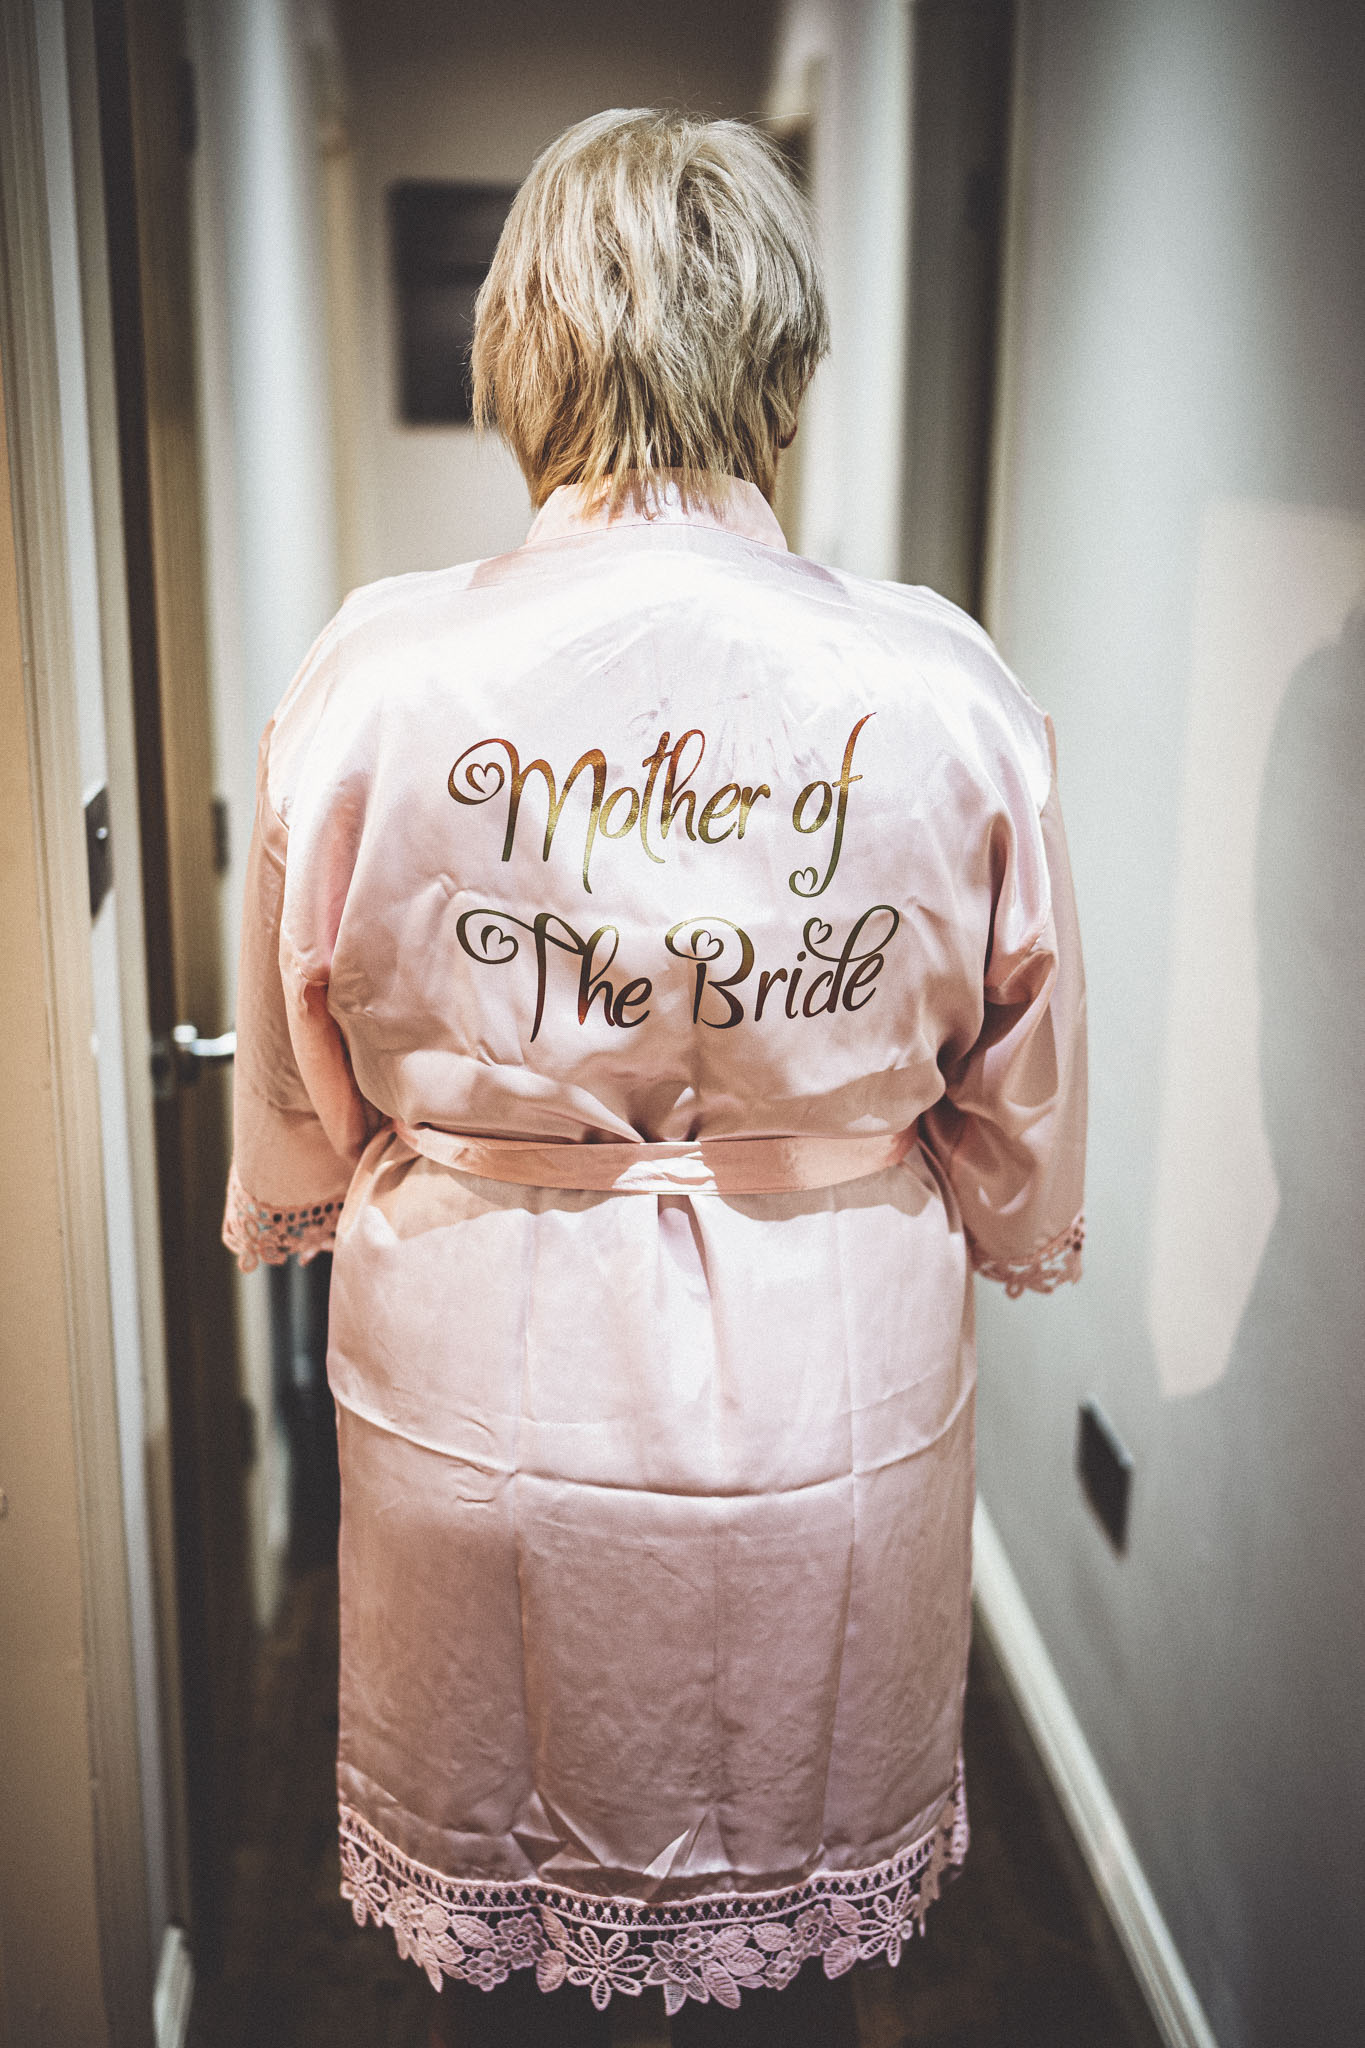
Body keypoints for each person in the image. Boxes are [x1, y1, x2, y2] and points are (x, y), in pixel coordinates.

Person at [223, 107, 1086, 2045]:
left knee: (509, 1973)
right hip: (823, 1399)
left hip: (479, 1394)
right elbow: (1016, 1104)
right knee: (793, 1972)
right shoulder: (940, 685)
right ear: (780, 355)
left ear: (518, 352)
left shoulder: (375, 678)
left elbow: (299, 1080)